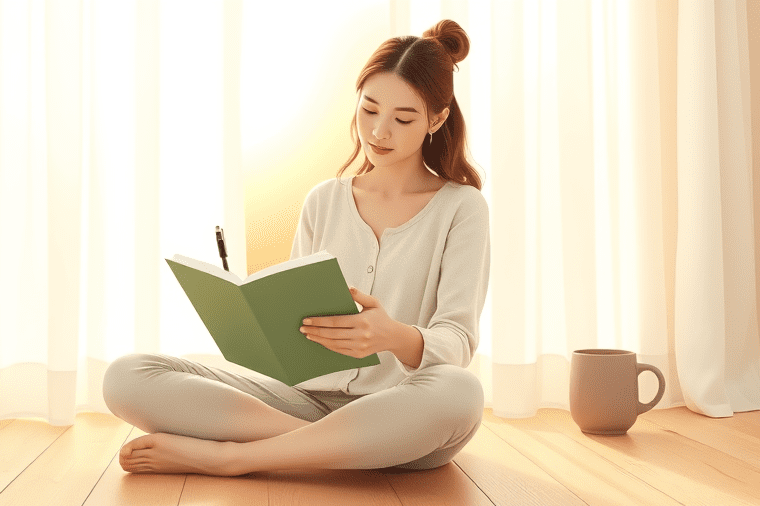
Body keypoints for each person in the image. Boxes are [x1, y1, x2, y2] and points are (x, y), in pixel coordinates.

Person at [102, 19, 489, 476]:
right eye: (369, 110)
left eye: (403, 119)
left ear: (437, 119)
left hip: (402, 411)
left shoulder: (462, 208)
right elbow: (294, 329)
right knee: (127, 375)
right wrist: (252, 321)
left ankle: (236, 456)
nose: (379, 132)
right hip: (299, 403)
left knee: (460, 392)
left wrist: (392, 336)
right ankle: (337, 449)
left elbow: (458, 341)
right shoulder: (324, 200)